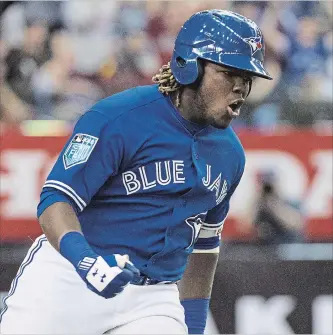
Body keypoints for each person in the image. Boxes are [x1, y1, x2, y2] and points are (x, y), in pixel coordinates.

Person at [0, 10, 272, 334]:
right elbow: (55, 201)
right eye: (229, 73)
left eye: (247, 78)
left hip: (153, 297)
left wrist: (195, 327)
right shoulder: (119, 117)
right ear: (190, 66)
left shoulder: (231, 155)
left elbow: (203, 248)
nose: (241, 87)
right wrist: (87, 262)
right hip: (70, 276)